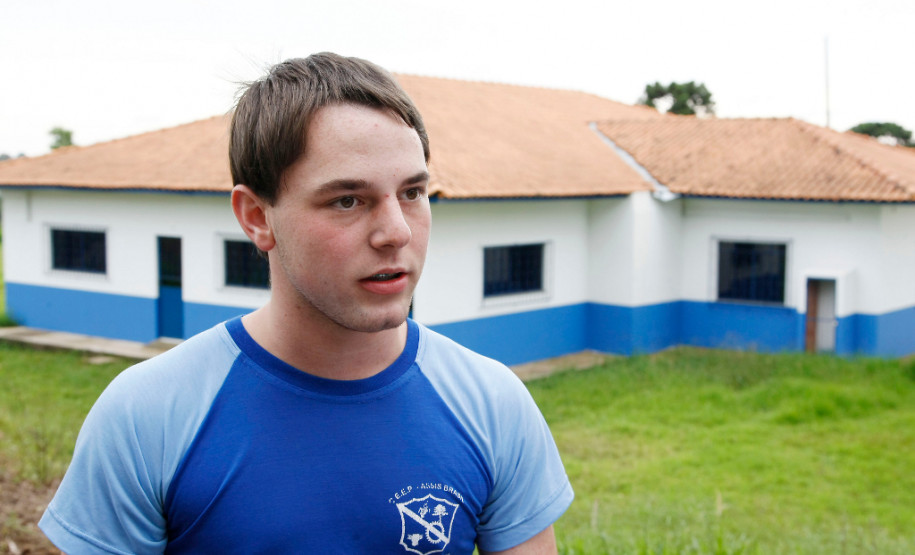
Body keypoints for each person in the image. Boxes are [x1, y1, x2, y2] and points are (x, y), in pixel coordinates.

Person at [39, 52, 573, 554]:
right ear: (256, 217)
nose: (395, 232)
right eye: (347, 200)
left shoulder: (494, 404)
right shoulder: (146, 415)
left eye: (412, 193)